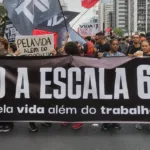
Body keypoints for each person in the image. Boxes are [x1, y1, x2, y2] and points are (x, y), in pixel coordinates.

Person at [98, 39, 124, 130]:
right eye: (114, 44)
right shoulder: (104, 55)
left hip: (117, 82)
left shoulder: (121, 55)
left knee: (116, 103)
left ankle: (115, 121)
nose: (115, 46)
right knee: (106, 102)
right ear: (110, 45)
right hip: (106, 81)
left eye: (117, 44)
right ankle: (105, 122)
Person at [61, 41, 84, 130]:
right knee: (70, 101)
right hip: (69, 82)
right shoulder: (65, 58)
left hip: (75, 83)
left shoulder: (79, 58)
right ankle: (71, 119)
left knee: (73, 101)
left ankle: (77, 120)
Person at [134, 40, 150, 130]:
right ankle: (139, 121)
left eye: (146, 46)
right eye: (143, 46)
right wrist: (135, 56)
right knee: (140, 102)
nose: (144, 47)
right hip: (140, 83)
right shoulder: (138, 54)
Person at [0, 37, 14, 132]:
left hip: (7, 84)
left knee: (7, 104)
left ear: (4, 45)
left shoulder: (9, 56)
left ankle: (8, 123)